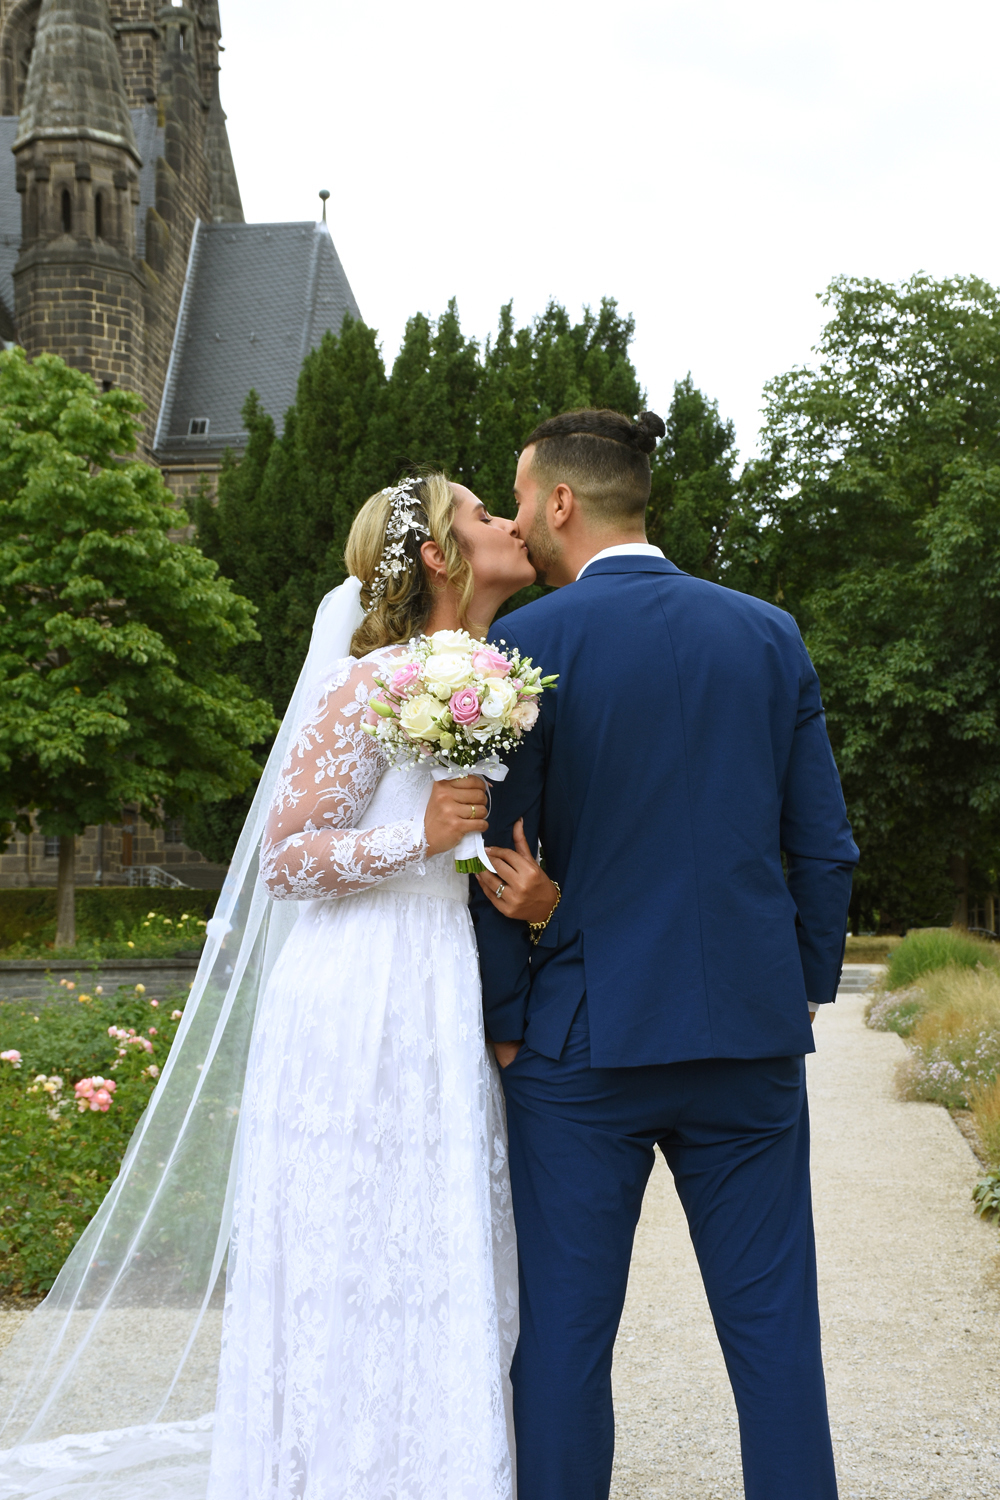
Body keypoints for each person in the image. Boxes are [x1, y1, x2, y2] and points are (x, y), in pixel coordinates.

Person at [471, 409, 860, 1500]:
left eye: (520, 496)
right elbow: (825, 847)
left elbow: (494, 857)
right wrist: (799, 986)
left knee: (563, 1338)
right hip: (748, 1038)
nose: (516, 519)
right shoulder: (767, 633)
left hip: (580, 1045)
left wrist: (506, 1021)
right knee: (775, 1332)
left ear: (560, 501)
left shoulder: (530, 646)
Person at [206, 474, 547, 1500]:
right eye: (483, 514)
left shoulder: (497, 679)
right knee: (348, 1241)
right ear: (439, 555)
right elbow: (284, 857)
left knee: (435, 1239)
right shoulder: (371, 682)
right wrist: (420, 836)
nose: (510, 522)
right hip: (358, 989)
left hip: (441, 977)